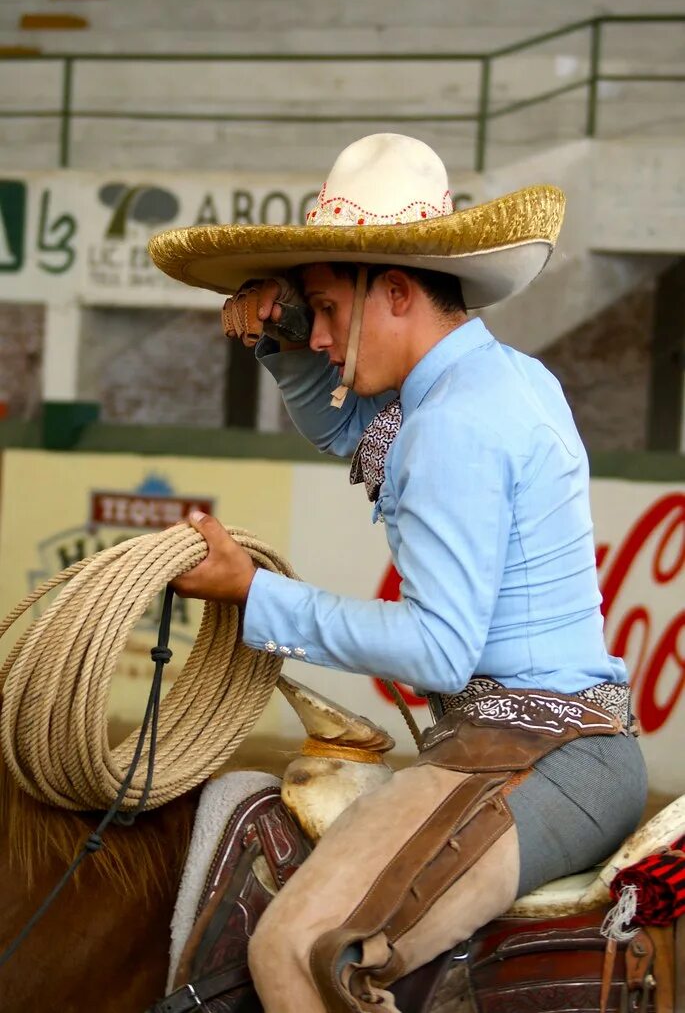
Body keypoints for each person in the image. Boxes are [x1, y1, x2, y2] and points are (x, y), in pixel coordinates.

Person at [150, 133, 647, 1013]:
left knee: (300, 952)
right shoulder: (492, 382)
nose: (326, 338)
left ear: (397, 291)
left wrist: (254, 594)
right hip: (553, 748)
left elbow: (438, 650)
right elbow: (355, 430)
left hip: (530, 758)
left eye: (329, 310)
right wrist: (286, 333)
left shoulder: (449, 425)